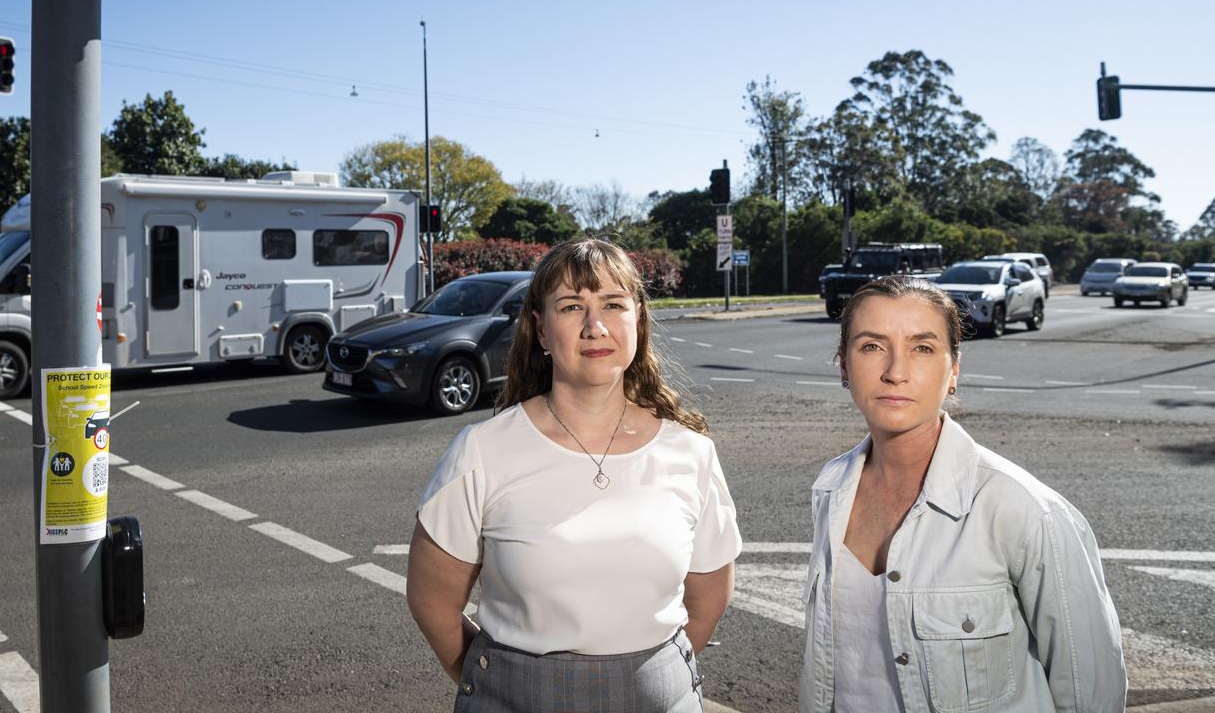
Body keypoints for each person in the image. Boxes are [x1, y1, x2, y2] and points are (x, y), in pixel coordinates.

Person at [406, 237, 742, 713]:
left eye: (613, 304)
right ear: (541, 330)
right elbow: (432, 602)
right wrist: (505, 686)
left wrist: (647, 679)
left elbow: (709, 600)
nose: (595, 326)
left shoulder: (692, 452)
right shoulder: (482, 451)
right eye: (570, 306)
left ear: (638, 321)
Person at [800, 275, 1127, 712]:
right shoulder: (831, 489)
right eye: (872, 346)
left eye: (922, 348)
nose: (895, 372)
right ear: (844, 365)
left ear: (953, 369)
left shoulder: (1024, 510)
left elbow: (1093, 695)